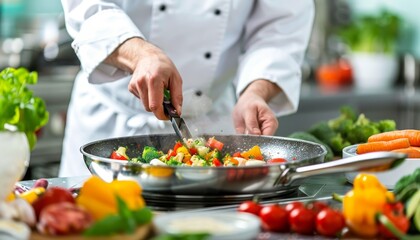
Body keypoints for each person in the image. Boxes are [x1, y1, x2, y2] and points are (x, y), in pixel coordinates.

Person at [59, 0, 314, 177]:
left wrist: (256, 90)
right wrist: (140, 54)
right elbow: (88, 8)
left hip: (215, 119)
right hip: (110, 123)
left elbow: (281, 27)